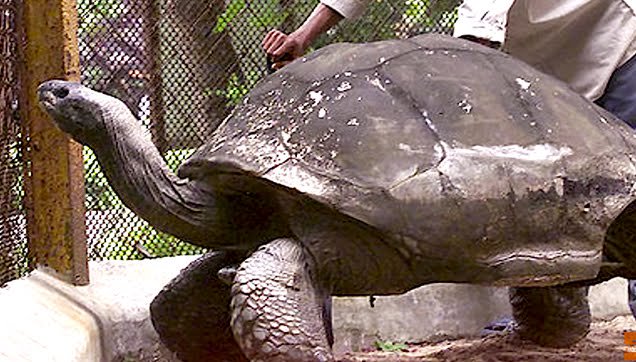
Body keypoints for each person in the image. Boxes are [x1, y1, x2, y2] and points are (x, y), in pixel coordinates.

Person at [263, 0, 636, 317]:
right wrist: (304, 35)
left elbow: (475, 40)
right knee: (550, 188)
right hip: (541, 66)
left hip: (618, 40)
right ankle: (553, 308)